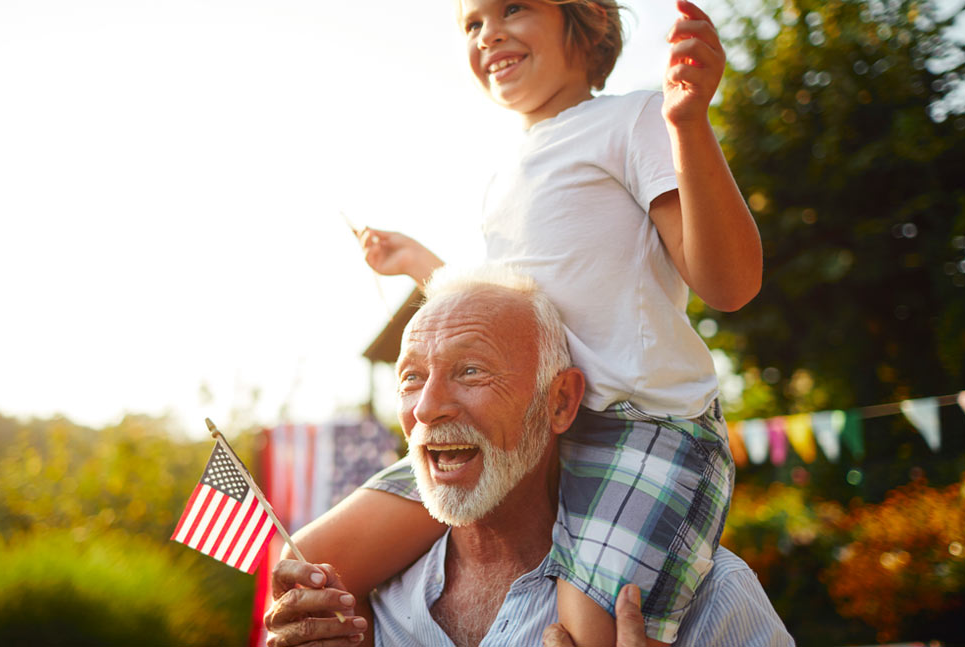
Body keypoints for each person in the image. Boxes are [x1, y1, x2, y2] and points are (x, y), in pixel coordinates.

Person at [295, 1, 763, 645]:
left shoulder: (633, 120)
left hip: (643, 426)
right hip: (527, 423)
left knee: (590, 630)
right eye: (472, 23)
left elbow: (730, 284)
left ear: (585, 20)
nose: (489, 33)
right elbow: (502, 317)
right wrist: (413, 263)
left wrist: (688, 125)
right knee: (310, 565)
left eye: (512, 8)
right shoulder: (505, 171)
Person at [264, 267, 792, 647]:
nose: (425, 409)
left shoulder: (711, 593)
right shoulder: (357, 604)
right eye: (411, 378)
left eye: (470, 371)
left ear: (560, 401)